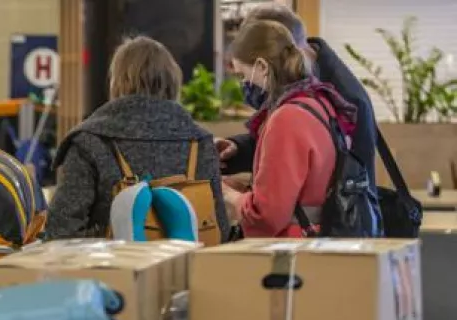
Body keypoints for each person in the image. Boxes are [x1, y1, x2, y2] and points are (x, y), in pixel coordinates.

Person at [47, 36, 229, 240]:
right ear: (172, 80)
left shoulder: (89, 141)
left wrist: (103, 236)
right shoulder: (200, 141)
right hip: (192, 266)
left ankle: (129, 234)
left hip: (111, 268)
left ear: (117, 82)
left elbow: (61, 231)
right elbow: (220, 227)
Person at [220, 20, 361, 238]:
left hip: (292, 249)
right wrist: (244, 190)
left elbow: (266, 217)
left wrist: (228, 195)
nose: (244, 83)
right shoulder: (318, 101)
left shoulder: (286, 118)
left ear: (262, 67)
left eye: (243, 75)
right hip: (319, 241)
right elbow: (304, 189)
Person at [217, 4, 377, 189]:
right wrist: (237, 148)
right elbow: (282, 143)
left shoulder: (346, 99)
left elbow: (353, 188)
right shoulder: (291, 80)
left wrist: (244, 202)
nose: (249, 81)